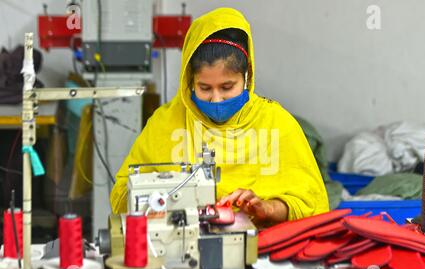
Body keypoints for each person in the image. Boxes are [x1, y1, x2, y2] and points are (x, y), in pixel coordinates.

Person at [110, 8, 329, 226]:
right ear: (189, 81)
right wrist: (168, 199)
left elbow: (311, 204)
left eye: (227, 87)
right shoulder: (165, 124)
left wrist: (268, 208)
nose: (216, 99)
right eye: (204, 87)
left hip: (261, 252)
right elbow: (121, 196)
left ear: (247, 75)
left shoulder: (277, 125)